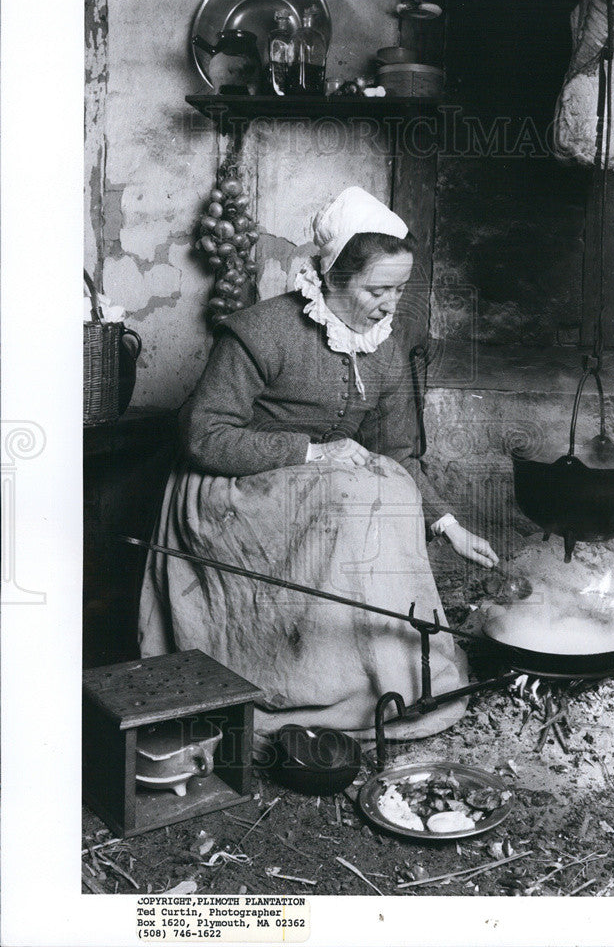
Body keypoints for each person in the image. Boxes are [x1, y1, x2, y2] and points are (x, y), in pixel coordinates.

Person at [139, 186, 498, 745]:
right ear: (332, 278)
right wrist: (311, 452)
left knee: (385, 487)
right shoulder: (262, 331)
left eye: (399, 291)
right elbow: (202, 436)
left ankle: (382, 679)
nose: (390, 305)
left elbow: (399, 454)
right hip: (229, 490)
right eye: (378, 289)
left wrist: (448, 525)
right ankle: (310, 683)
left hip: (322, 488)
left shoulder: (387, 344)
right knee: (353, 497)